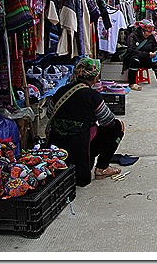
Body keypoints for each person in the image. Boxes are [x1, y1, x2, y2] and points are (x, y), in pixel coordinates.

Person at [47, 58, 125, 186]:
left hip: (57, 143)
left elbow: (50, 113)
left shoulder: (61, 91)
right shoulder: (92, 95)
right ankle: (102, 168)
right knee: (117, 127)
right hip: (80, 143)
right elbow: (108, 122)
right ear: (95, 78)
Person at [122, 19, 157, 90]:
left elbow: (155, 46)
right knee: (135, 60)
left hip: (147, 58)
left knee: (156, 61)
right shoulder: (133, 36)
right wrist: (147, 54)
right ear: (142, 30)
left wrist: (155, 51)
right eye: (148, 32)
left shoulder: (151, 37)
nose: (150, 33)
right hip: (133, 58)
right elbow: (132, 50)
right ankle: (132, 83)